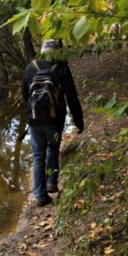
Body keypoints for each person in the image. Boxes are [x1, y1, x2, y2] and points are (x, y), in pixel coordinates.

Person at [21, 39, 84, 207]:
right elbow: (72, 97)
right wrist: (79, 121)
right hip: (55, 120)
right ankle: (51, 182)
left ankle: (40, 194)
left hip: (34, 121)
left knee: (38, 155)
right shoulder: (62, 68)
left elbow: (25, 96)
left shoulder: (30, 68)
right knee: (53, 148)